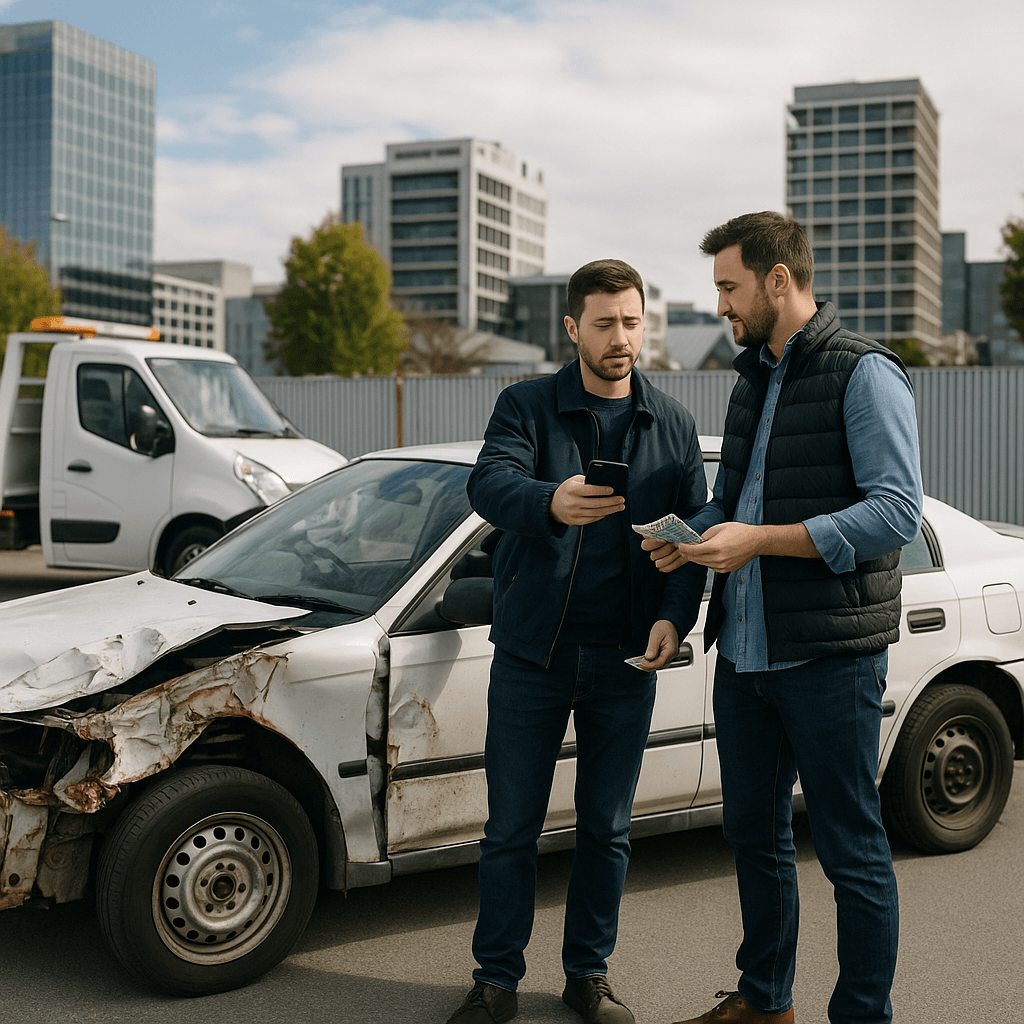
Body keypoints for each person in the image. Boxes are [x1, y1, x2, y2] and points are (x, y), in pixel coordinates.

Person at [645, 212, 922, 1024]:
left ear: (777, 279)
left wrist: (760, 540)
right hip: (745, 657)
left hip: (830, 658)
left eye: (729, 287)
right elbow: (732, 501)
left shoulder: (864, 372)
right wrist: (689, 539)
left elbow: (896, 513)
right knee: (753, 838)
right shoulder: (750, 380)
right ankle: (766, 1004)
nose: (721, 305)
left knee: (851, 853)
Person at [446, 259, 709, 1024]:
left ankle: (587, 975)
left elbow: (692, 539)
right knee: (510, 830)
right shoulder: (526, 406)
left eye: (632, 321)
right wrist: (548, 500)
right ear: (572, 328)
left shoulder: (673, 423)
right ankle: (496, 982)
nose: (621, 337)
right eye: (604, 323)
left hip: (626, 663)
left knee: (607, 829)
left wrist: (675, 617)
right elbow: (488, 484)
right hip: (534, 657)